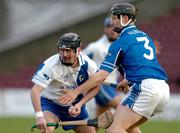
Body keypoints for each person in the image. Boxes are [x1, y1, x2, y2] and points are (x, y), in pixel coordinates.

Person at [59, 3, 170, 133]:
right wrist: (128, 80)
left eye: (116, 18)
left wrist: (75, 92)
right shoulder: (144, 36)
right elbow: (145, 68)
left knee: (113, 130)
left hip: (146, 89)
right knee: (129, 127)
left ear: (125, 19)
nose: (113, 21)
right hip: (162, 89)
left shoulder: (120, 43)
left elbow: (101, 76)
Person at [31, 32, 98, 133]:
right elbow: (35, 91)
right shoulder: (50, 65)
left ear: (78, 50)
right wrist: (39, 116)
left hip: (74, 106)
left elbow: (96, 87)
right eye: (61, 50)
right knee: (47, 130)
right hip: (51, 105)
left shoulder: (89, 65)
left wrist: (79, 104)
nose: (64, 55)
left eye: (68, 51)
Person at [83, 17, 121, 117]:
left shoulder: (120, 45)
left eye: (115, 27)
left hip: (112, 86)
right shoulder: (95, 47)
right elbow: (79, 60)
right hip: (102, 86)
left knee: (97, 122)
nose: (112, 29)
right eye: (109, 26)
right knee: (125, 110)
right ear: (104, 29)